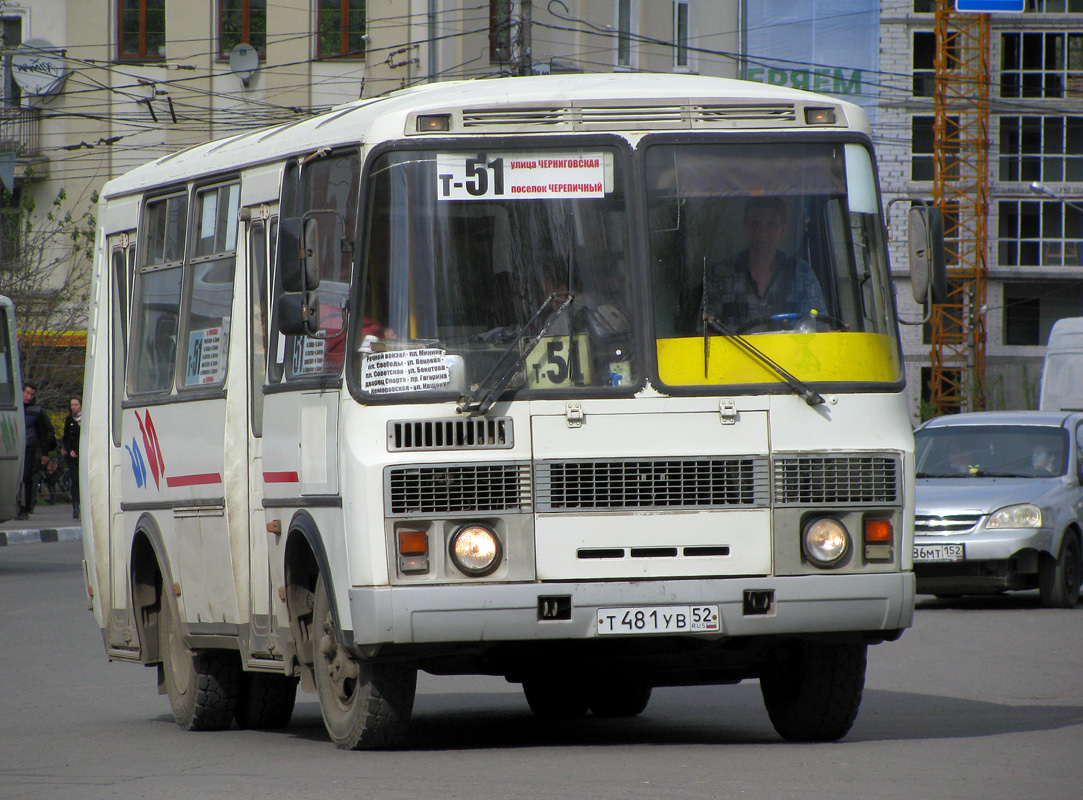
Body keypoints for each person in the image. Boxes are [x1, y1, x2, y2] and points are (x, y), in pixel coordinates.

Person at [703, 196, 826, 331]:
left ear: (783, 229)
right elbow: (704, 333)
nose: (762, 231)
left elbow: (820, 330)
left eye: (771, 224)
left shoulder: (802, 275)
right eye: (755, 224)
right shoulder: (721, 275)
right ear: (745, 226)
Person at [18, 381, 56, 520]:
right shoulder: (15, 408)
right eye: (27, 393)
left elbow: (43, 432)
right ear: (21, 392)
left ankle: (26, 506)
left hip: (29, 447)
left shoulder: (37, 411)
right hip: (16, 446)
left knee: (27, 477)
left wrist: (44, 453)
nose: (28, 396)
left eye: (31, 394)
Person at [62, 396, 82, 519]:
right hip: (73, 455)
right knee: (75, 480)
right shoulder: (69, 420)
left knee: (83, 480)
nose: (74, 407)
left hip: (83, 454)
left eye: (76, 404)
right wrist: (69, 450)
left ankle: (84, 504)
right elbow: (65, 437)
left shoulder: (86, 419)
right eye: (72, 405)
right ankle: (75, 506)